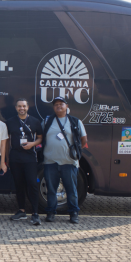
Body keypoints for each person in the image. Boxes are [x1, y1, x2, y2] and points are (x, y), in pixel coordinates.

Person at [42, 96, 87, 224]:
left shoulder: (75, 121)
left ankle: (73, 213)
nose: (58, 106)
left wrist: (75, 152)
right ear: (53, 107)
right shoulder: (47, 121)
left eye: (61, 104)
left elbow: (84, 139)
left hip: (69, 163)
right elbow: (41, 137)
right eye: (56, 104)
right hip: (50, 162)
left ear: (67, 106)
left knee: (71, 190)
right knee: (51, 190)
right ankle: (50, 213)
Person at [6, 98, 43, 225]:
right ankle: (21, 210)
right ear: (16, 108)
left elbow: (40, 138)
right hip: (15, 157)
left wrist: (32, 144)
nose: (21, 108)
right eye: (19, 106)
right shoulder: (10, 122)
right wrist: (7, 158)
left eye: (24, 106)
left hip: (30, 157)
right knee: (19, 184)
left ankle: (35, 213)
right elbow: (6, 141)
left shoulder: (35, 121)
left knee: (32, 184)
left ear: (27, 107)